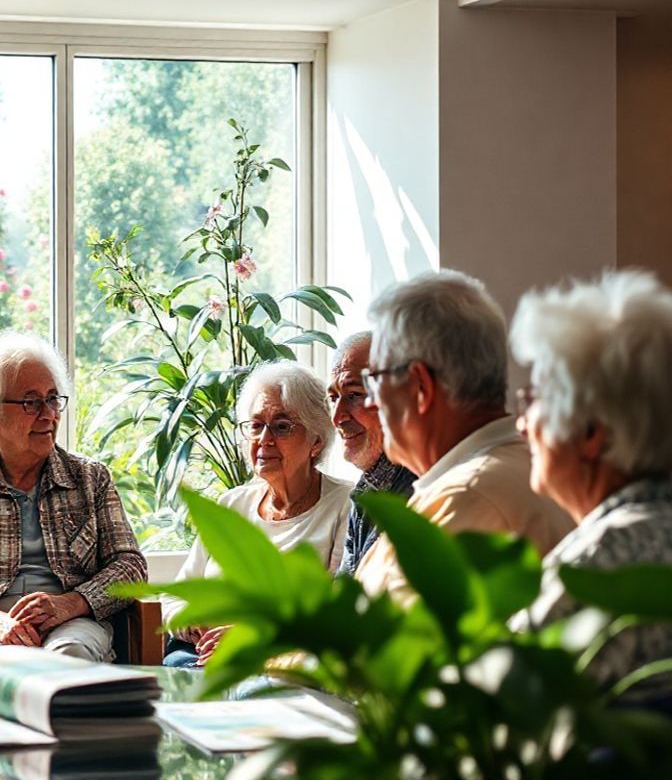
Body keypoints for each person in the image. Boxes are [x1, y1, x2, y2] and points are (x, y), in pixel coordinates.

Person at [0, 332, 147, 662]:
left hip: (72, 622)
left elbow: (130, 566)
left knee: (67, 658)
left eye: (53, 399)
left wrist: (70, 603)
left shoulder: (91, 479)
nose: (49, 414)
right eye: (31, 402)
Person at [355, 270, 574, 600]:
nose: (371, 403)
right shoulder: (513, 465)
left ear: (420, 387)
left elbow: (389, 646)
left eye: (375, 381)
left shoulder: (467, 497)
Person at [510, 270, 672, 704]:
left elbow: (489, 708)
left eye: (534, 400)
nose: (522, 424)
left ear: (591, 433)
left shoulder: (605, 561)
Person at [162, 362, 352, 668]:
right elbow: (173, 600)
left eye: (281, 426)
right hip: (198, 659)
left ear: (316, 440)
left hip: (277, 665)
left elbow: (334, 617)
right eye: (255, 425)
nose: (264, 439)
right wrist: (196, 626)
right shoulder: (231, 504)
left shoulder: (345, 504)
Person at [328, 331, 417, 575]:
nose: (337, 417)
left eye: (354, 395)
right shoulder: (369, 487)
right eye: (333, 398)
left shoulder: (422, 490)